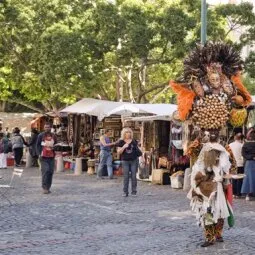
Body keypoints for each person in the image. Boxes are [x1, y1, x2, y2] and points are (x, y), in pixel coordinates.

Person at [188, 129, 232, 247]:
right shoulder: (207, 149)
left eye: (210, 134)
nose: (209, 136)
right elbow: (200, 165)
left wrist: (220, 174)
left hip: (216, 184)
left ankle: (215, 235)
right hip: (208, 184)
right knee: (210, 209)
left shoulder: (222, 150)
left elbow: (225, 166)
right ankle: (211, 236)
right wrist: (201, 175)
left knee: (217, 209)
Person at [117, 128, 140, 197]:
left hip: (134, 160)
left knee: (133, 176)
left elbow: (137, 150)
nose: (128, 134)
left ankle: (134, 191)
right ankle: (125, 192)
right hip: (125, 161)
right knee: (126, 176)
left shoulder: (134, 141)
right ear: (124, 134)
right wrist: (123, 147)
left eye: (129, 132)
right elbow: (118, 152)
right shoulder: (121, 142)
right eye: (127, 132)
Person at [36, 123, 57, 194]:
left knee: (50, 172)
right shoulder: (40, 135)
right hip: (43, 156)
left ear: (50, 128)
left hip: (51, 156)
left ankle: (48, 187)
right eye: (45, 127)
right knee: (45, 171)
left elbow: (56, 144)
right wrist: (39, 154)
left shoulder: (53, 136)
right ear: (44, 128)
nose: (47, 128)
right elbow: (37, 145)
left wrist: (54, 148)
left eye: (48, 127)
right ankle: (44, 188)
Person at [241, 129, 255, 201]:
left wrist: (250, 157)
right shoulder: (246, 144)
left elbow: (243, 154)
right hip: (250, 162)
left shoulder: (245, 144)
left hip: (249, 162)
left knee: (248, 178)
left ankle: (247, 194)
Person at [229, 133, 244, 198]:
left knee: (234, 179)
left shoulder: (230, 145)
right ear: (240, 138)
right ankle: (238, 193)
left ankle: (234, 193)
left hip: (232, 164)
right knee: (239, 178)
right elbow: (242, 155)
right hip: (240, 163)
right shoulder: (241, 145)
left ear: (235, 137)